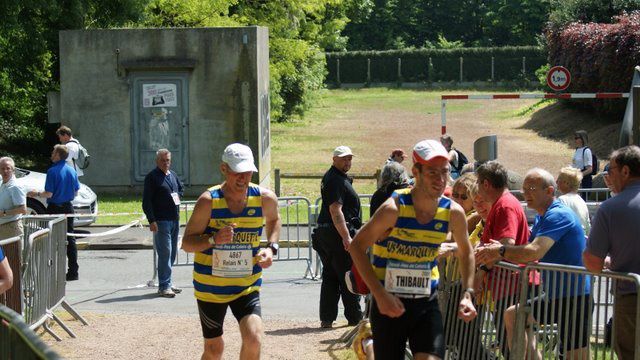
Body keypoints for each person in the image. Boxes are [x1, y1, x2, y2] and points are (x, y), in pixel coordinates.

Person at [349, 139, 477, 359]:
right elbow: (357, 247)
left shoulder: (453, 213)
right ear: (415, 172)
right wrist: (379, 294)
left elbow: (466, 253)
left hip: (426, 301)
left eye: (444, 172)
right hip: (388, 301)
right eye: (432, 173)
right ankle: (368, 343)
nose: (440, 180)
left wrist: (468, 293)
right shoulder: (393, 209)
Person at [477, 168, 591, 359]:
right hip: (554, 295)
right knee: (513, 316)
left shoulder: (558, 215)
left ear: (549, 191)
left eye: (532, 188)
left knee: (576, 355)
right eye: (524, 188)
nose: (525, 193)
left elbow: (533, 252)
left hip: (575, 296)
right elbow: (525, 251)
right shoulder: (541, 217)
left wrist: (500, 250)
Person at [181, 143, 281, 360]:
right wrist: (213, 239)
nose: (243, 178)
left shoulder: (264, 198)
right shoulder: (209, 201)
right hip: (210, 289)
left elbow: (274, 220)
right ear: (224, 169)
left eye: (248, 171)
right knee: (214, 349)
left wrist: (271, 248)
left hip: (246, 286)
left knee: (254, 339)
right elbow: (187, 243)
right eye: (237, 171)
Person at [583, 145, 640, 360]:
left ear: (625, 171)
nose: (608, 176)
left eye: (611, 170)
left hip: (631, 299)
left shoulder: (610, 208)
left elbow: (593, 263)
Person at [473, 160, 530, 357]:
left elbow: (505, 244)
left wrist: (481, 271)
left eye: (479, 183)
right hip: (506, 283)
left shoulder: (505, 205)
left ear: (486, 183)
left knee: (513, 346)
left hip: (510, 283)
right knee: (523, 345)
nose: (478, 189)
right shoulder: (502, 204)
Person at [313, 145, 363, 328]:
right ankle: (354, 317)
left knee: (331, 275)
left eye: (349, 158)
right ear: (334, 159)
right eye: (343, 158)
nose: (347, 162)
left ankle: (327, 318)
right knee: (347, 275)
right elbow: (335, 210)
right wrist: (346, 237)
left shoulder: (335, 177)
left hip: (327, 233)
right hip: (335, 234)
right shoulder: (335, 179)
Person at [27, 145, 80, 281]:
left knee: (50, 238)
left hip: (55, 208)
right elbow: (75, 192)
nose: (51, 154)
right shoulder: (71, 171)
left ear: (58, 155)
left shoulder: (52, 171)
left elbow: (48, 193)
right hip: (68, 208)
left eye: (53, 152)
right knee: (70, 239)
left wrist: (35, 193)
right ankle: (73, 271)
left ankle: (49, 270)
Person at [142, 149, 184, 298]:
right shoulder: (152, 177)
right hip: (161, 221)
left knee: (172, 252)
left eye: (168, 160)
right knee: (165, 253)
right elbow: (146, 202)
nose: (166, 163)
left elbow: (180, 188)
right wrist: (151, 220)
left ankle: (168, 282)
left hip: (174, 219)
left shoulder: (172, 175)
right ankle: (164, 286)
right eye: (163, 160)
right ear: (157, 161)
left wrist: (178, 195)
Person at [556, 167, 591, 234]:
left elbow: (559, 224)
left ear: (567, 183)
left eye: (559, 179)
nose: (556, 181)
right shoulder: (581, 201)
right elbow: (588, 226)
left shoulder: (562, 199)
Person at [0, 157, 27, 239]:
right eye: (2, 168)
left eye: (8, 168)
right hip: (3, 227)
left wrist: (4, 213)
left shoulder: (15, 186)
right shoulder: (2, 183)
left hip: (12, 229)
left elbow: (23, 209)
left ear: (13, 170)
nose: (5, 171)